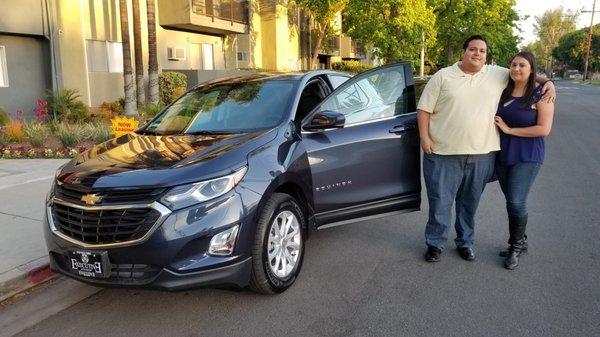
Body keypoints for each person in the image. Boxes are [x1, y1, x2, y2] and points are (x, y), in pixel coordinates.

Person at [417, 35, 555, 262]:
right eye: (473, 49)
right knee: (440, 201)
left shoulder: (495, 73)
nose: (478, 54)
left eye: (482, 51)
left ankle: (465, 242)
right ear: (464, 51)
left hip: (482, 154)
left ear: (486, 56)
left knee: (469, 203)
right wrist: (424, 137)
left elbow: (525, 72)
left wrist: (549, 82)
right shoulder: (443, 76)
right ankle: (435, 244)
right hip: (442, 152)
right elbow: (424, 109)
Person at [494, 51, 554, 270]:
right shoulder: (503, 91)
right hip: (503, 154)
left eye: (522, 65)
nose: (517, 69)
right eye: (513, 65)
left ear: (531, 70)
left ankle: (515, 246)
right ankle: (521, 240)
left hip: (528, 155)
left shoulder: (541, 95)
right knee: (511, 199)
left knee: (516, 201)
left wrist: (510, 129)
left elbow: (543, 129)